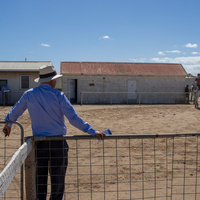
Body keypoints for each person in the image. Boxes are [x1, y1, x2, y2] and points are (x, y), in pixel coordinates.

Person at [2, 65, 106, 200]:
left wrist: (9, 123)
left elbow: (15, 111)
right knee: (58, 181)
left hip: (39, 143)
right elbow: (73, 118)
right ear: (52, 80)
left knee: (40, 180)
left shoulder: (29, 94)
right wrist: (93, 131)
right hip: (58, 143)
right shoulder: (59, 95)